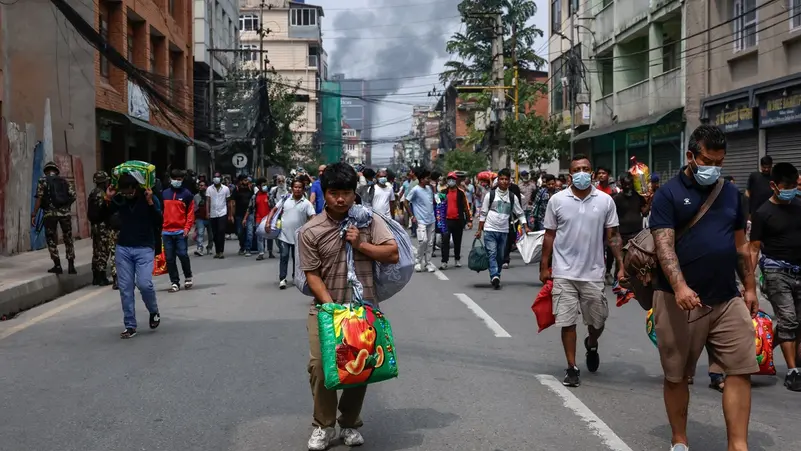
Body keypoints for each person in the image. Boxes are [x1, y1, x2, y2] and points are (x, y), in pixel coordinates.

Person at [650, 125, 757, 451]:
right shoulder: (668, 194)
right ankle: (679, 440)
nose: (714, 168)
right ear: (691, 156)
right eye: (708, 160)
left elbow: (741, 246)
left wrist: (750, 289)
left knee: (740, 370)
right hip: (679, 301)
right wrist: (680, 287)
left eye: (720, 162)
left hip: (726, 298)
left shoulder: (731, 194)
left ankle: (738, 445)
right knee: (677, 375)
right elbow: (664, 247)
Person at [297, 163, 398, 451]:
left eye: (346, 193)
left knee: (360, 368)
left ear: (355, 194)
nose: (340, 199)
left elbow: (392, 253)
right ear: (324, 193)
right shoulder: (311, 230)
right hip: (326, 310)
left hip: (362, 310)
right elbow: (312, 274)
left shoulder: (368, 222)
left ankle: (349, 423)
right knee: (320, 367)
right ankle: (323, 425)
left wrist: (362, 245)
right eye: (334, 193)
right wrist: (333, 311)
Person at [540, 155, 622, 387]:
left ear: (593, 173)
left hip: (593, 273)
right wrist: (544, 266)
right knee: (567, 321)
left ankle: (592, 343)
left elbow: (613, 235)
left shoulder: (606, 201)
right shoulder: (557, 200)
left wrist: (622, 266)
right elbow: (549, 234)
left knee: (598, 321)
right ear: (570, 175)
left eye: (586, 168)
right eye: (577, 169)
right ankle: (572, 367)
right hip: (563, 272)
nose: (582, 173)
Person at [749, 162, 801, 392]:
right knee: (789, 319)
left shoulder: (799, 206)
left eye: (795, 185)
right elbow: (753, 248)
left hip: (799, 269)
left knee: (796, 323)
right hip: (775, 271)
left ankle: (761, 347)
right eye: (787, 186)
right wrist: (749, 283)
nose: (792, 189)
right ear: (774, 185)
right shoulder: (763, 213)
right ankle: (792, 371)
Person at [103, 174, 163, 339]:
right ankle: (130, 325)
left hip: (144, 248)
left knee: (144, 284)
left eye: (129, 192)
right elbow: (102, 216)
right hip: (124, 248)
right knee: (125, 288)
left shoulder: (150, 198)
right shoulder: (120, 199)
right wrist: (107, 198)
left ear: (136, 188)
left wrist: (151, 202)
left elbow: (159, 221)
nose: (127, 195)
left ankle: (153, 311)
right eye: (124, 192)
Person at [476, 168, 527, 289]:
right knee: (492, 253)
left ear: (509, 181)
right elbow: (483, 213)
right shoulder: (490, 195)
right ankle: (494, 275)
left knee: (500, 255)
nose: (504, 181)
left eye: (506, 179)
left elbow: (520, 213)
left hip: (504, 230)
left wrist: (526, 226)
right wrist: (479, 230)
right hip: (490, 229)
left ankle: (496, 275)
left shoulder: (512, 197)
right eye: (501, 179)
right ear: (498, 181)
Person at [267, 179, 315, 289]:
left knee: (296, 258)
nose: (297, 189)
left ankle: (295, 277)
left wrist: (311, 229)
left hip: (298, 236)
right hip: (284, 235)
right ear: (292, 188)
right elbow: (274, 210)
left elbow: (313, 216)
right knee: (284, 256)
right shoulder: (285, 200)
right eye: (295, 187)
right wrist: (268, 222)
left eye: (300, 187)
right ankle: (282, 278)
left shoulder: (306, 203)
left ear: (303, 189)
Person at [32, 161, 77, 274]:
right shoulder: (64, 181)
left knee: (51, 238)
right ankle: (71, 265)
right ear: (56, 171)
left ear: (46, 171)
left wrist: (34, 213)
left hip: (50, 214)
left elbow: (39, 198)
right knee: (68, 238)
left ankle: (57, 265)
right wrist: (65, 206)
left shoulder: (43, 180)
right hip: (65, 214)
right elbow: (73, 196)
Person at [161, 169, 195, 293]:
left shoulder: (187, 194)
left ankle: (188, 276)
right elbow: (160, 212)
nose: (177, 181)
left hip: (180, 231)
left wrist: (187, 228)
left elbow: (190, 213)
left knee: (183, 254)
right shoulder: (164, 194)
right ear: (171, 179)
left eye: (179, 179)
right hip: (166, 231)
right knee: (169, 258)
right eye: (175, 179)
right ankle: (174, 282)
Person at [404, 168, 436, 272]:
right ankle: (418, 261)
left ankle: (428, 263)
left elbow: (434, 201)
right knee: (423, 241)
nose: (429, 180)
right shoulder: (415, 190)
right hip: (420, 220)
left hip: (431, 219)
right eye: (427, 178)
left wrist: (435, 191)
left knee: (430, 243)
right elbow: (405, 202)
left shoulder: (430, 189)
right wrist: (412, 216)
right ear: (421, 179)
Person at [440, 172, 472, 269]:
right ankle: (444, 261)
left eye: (453, 179)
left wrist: (469, 220)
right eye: (449, 179)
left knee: (457, 241)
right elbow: (438, 205)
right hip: (446, 220)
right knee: (445, 241)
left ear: (456, 180)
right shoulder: (443, 192)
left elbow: (466, 207)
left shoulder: (461, 193)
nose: (451, 181)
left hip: (458, 220)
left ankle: (457, 259)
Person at [88, 171, 114, 286]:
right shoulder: (103, 194)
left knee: (96, 251)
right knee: (104, 250)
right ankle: (102, 277)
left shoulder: (93, 193)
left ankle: (95, 277)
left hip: (95, 226)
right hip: (103, 226)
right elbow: (104, 210)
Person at [243, 178, 272, 260]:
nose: (265, 186)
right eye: (263, 185)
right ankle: (261, 253)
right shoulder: (254, 197)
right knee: (259, 236)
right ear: (258, 186)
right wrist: (245, 218)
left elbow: (273, 207)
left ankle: (270, 251)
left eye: (265, 185)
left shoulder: (269, 195)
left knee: (269, 235)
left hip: (268, 218)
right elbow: (249, 208)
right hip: (258, 218)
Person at [208, 172, 233, 259]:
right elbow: (208, 201)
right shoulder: (209, 189)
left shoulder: (226, 189)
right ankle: (217, 251)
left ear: (220, 179)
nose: (216, 178)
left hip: (223, 212)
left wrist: (230, 215)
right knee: (214, 233)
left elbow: (229, 202)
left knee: (221, 231)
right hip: (213, 213)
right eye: (215, 177)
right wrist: (207, 212)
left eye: (218, 177)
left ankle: (221, 251)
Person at [746, 155, 773, 220]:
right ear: (761, 166)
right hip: (756, 212)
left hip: (770, 212)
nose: (766, 169)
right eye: (764, 167)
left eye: (768, 167)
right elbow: (747, 193)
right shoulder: (754, 176)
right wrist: (749, 212)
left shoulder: (774, 177)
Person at [233, 175, 254, 256]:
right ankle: (242, 247)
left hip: (249, 213)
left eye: (247, 180)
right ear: (241, 181)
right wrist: (231, 214)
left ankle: (248, 249)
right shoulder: (237, 189)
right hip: (239, 214)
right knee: (240, 232)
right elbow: (232, 202)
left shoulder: (251, 189)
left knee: (249, 232)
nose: (247, 181)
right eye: (245, 180)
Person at [193, 180, 211, 256]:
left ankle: (209, 248)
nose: (201, 187)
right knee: (200, 233)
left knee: (211, 234)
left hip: (210, 217)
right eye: (200, 185)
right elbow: (195, 207)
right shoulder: (196, 196)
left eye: (203, 185)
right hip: (200, 218)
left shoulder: (210, 195)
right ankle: (199, 248)